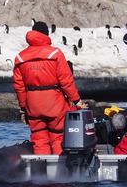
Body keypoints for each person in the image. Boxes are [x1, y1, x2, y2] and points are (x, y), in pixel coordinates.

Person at [13, 21, 87, 155]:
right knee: (58, 136)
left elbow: (19, 87)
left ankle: (42, 172)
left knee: (39, 139)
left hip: (33, 104)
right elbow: (66, 81)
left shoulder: (20, 57)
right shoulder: (55, 54)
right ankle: (59, 171)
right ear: (46, 34)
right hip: (54, 103)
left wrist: (24, 109)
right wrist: (76, 101)